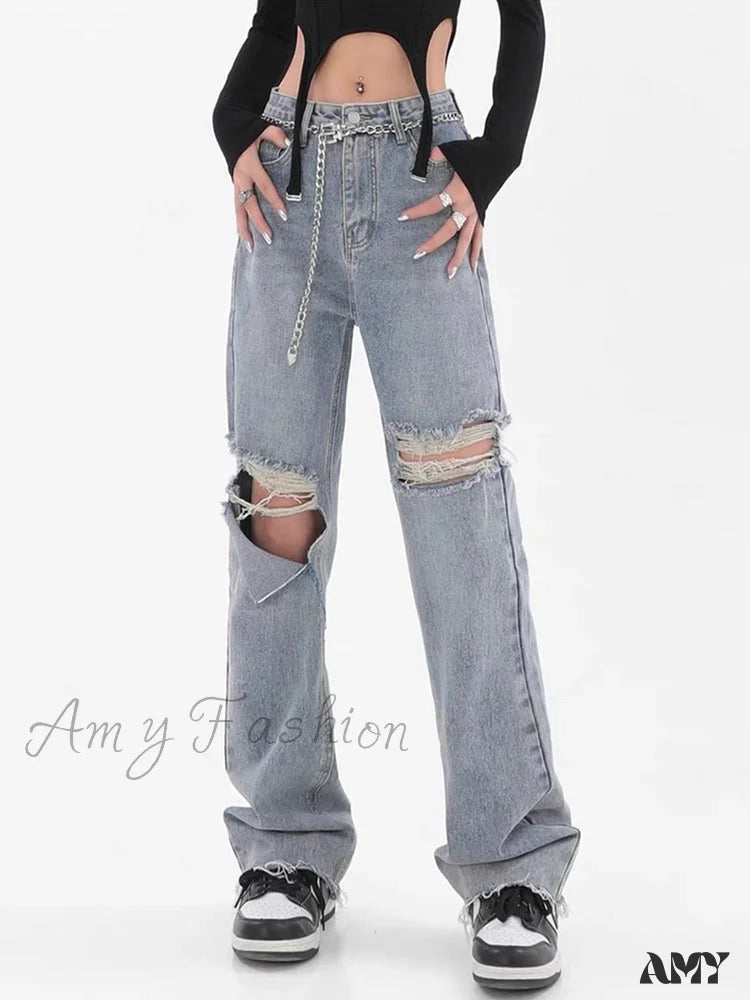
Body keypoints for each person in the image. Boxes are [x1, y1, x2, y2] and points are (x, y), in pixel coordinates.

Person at [212, 0, 579, 989]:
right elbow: (274, 20)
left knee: (462, 528)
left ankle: (512, 861)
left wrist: (492, 160)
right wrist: (234, 131)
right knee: (275, 522)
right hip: (289, 191)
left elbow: (525, 19)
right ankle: (284, 841)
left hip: (423, 187)